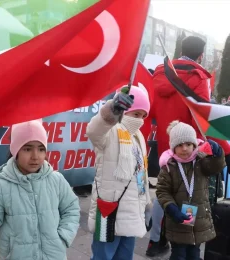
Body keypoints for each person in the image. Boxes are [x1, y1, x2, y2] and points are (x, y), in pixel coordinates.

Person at [146, 35, 230, 257]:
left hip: (168, 143)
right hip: (190, 146)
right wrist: (215, 147)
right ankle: (186, 242)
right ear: (201, 55)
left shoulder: (161, 72)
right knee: (189, 193)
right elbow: (200, 116)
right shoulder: (198, 76)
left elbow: (153, 111)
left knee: (163, 192)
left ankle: (155, 241)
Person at [0, 120, 80, 259]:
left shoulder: (56, 180)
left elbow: (71, 209)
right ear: (16, 151)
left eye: (41, 149)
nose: (35, 156)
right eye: (27, 149)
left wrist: (63, 237)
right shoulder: (3, 185)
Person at [87, 85, 151, 260]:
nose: (140, 120)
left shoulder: (138, 137)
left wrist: (146, 206)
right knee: (102, 257)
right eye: (136, 114)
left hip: (131, 215)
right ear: (124, 110)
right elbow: (94, 131)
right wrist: (111, 111)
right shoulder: (110, 131)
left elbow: (142, 175)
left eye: (143, 116)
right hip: (108, 212)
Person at [156, 121, 225, 260]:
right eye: (180, 145)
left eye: (188, 144)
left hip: (198, 222)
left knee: (194, 254)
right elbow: (163, 191)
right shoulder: (169, 167)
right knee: (179, 255)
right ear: (173, 147)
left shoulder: (201, 162)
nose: (185, 149)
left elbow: (215, 167)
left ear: (194, 144)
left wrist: (218, 154)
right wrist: (171, 208)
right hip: (178, 222)